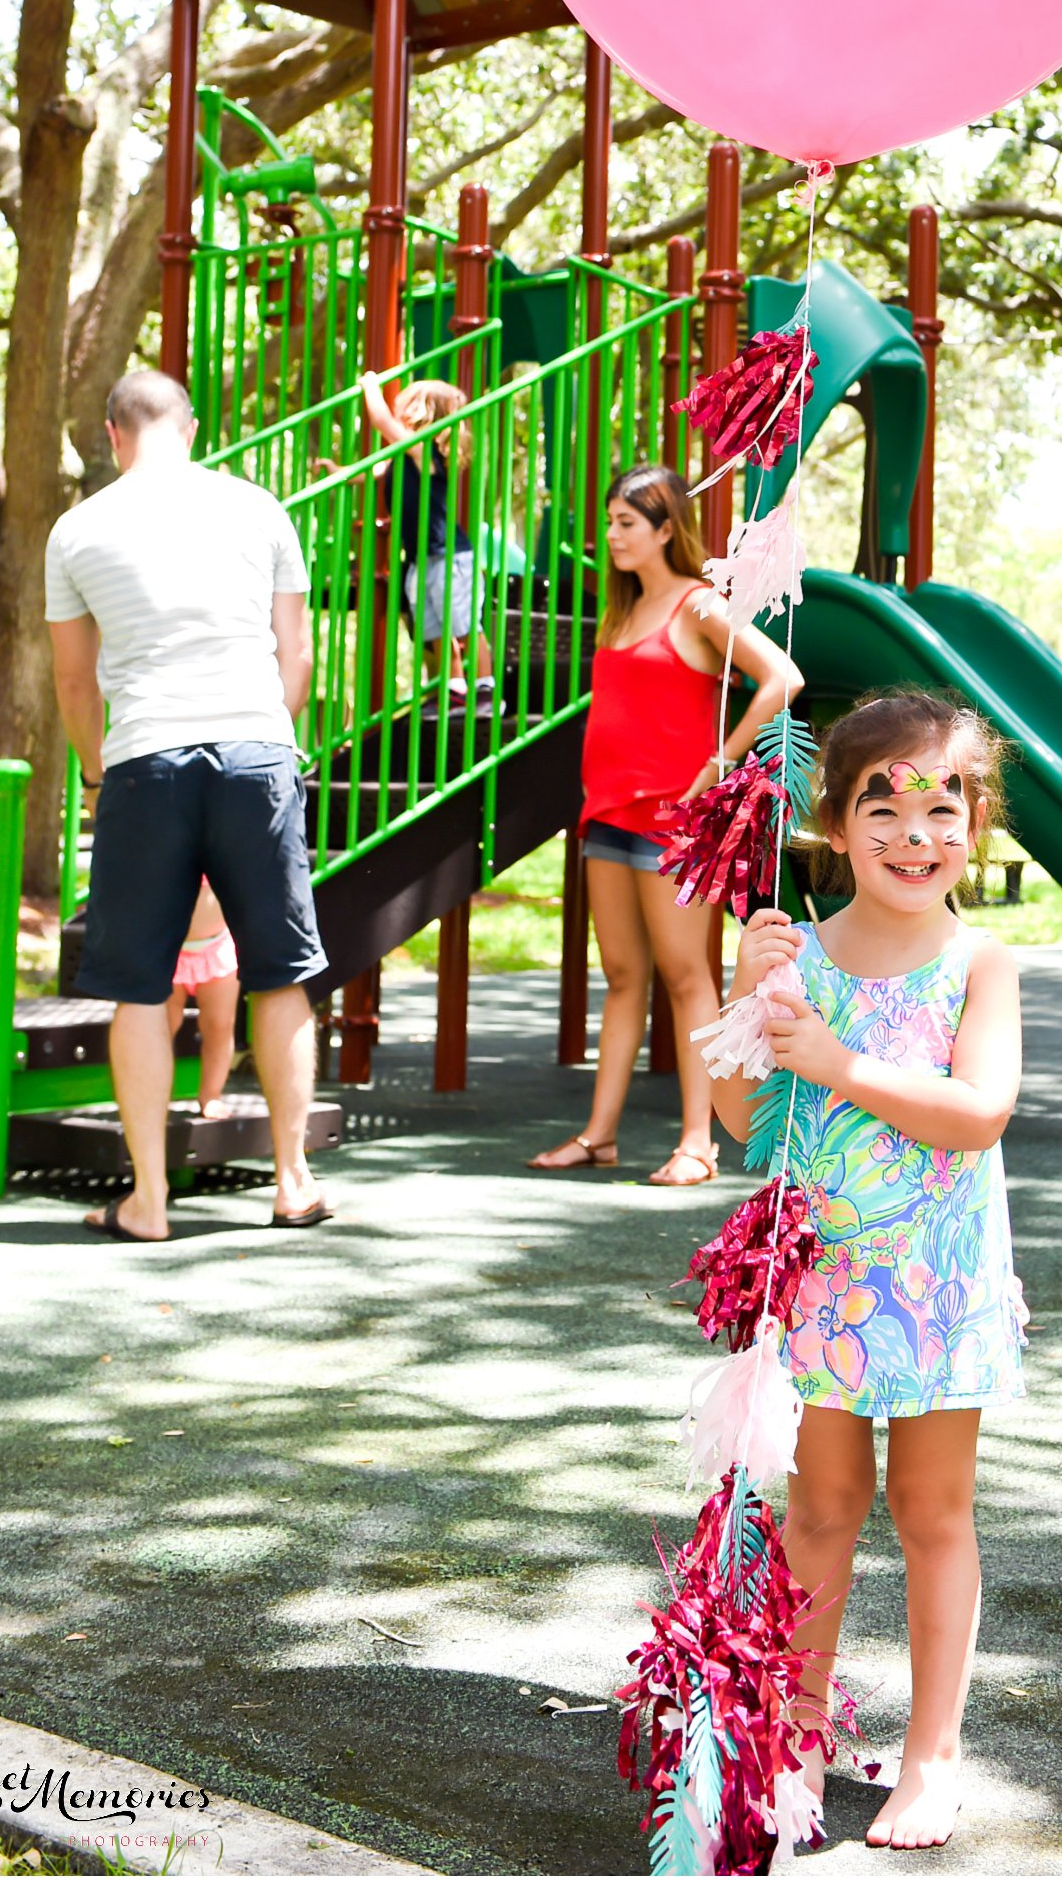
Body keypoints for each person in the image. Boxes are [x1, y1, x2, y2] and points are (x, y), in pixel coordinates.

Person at [710, 689, 1026, 1853]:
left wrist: (839, 1059)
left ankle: (934, 1755)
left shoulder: (978, 962)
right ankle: (798, 1724)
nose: (913, 833)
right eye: (880, 805)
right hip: (826, 1285)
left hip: (937, 1284)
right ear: (833, 825)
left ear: (976, 825)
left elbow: (977, 1113)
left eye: (942, 806)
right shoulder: (801, 953)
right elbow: (745, 1119)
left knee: (931, 1510)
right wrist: (749, 992)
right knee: (822, 1505)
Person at [44, 369, 329, 1242]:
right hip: (255, 749)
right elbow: (298, 657)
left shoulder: (76, 529)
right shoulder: (259, 508)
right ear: (193, 427)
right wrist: (272, 743)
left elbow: (72, 678)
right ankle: (291, 1181)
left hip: (145, 761)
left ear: (111, 434)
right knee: (278, 973)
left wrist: (99, 774)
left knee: (137, 986)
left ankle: (150, 1202)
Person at [528, 461, 803, 1188]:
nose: (613, 535)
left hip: (673, 824)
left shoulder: (699, 605)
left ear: (665, 528)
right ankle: (598, 1135)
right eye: (612, 520)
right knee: (621, 976)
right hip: (607, 814)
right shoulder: (620, 610)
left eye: (627, 523)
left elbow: (782, 677)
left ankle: (698, 1142)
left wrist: (719, 762)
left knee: (688, 978)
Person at [357, 370, 492, 701]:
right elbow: (371, 473)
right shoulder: (404, 458)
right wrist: (339, 473)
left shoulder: (423, 451)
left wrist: (370, 386)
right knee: (435, 628)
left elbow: (381, 422)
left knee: (463, 625)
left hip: (448, 555)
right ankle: (455, 686)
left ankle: (485, 686)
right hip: (421, 557)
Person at [165, 881, 242, 1118]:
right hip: (166, 946)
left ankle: (211, 1094)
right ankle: (154, 1093)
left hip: (216, 946)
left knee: (219, 1025)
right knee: (161, 1026)